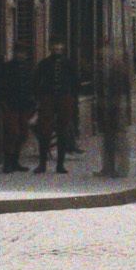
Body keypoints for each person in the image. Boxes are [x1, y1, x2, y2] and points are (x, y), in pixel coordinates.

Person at [32, 40, 81, 175]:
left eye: (59, 48)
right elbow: (36, 80)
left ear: (63, 49)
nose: (57, 51)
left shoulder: (69, 64)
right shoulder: (44, 64)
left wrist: (72, 98)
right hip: (48, 99)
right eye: (55, 48)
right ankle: (42, 164)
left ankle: (60, 164)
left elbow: (76, 81)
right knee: (44, 131)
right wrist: (39, 97)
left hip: (64, 99)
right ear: (50, 49)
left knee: (63, 131)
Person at [0, 49, 36, 172]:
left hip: (24, 106)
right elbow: (0, 86)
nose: (21, 54)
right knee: (13, 132)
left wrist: (32, 103)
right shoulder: (7, 68)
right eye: (19, 52)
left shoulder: (28, 68)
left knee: (23, 133)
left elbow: (31, 86)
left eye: (23, 52)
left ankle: (15, 161)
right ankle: (7, 162)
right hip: (10, 105)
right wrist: (2, 103)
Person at [96, 44, 133, 179]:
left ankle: (121, 169)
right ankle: (107, 168)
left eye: (106, 56)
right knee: (107, 140)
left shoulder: (120, 71)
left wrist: (122, 110)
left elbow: (124, 92)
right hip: (105, 108)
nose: (103, 59)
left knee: (119, 139)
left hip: (118, 108)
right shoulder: (101, 71)